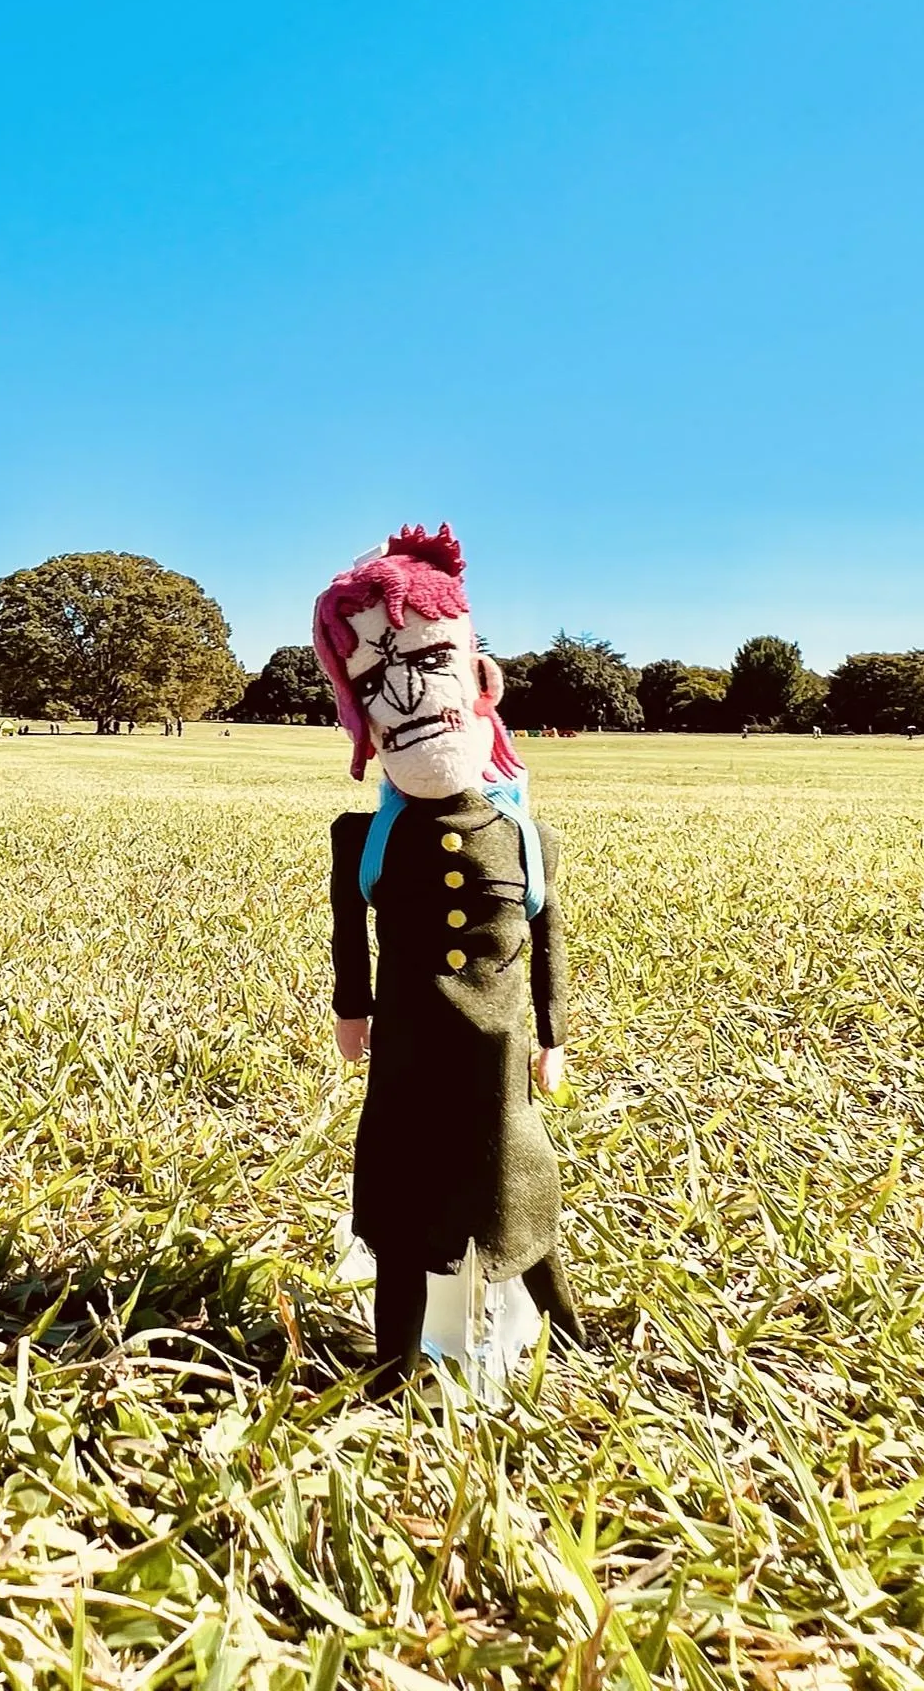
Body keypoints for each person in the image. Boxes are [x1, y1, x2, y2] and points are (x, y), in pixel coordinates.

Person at [313, 524, 586, 1398]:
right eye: (375, 684)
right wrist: (351, 1012)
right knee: (401, 1185)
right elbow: (348, 932)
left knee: (515, 1175)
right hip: (405, 1045)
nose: (405, 694)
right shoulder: (362, 839)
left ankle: (556, 1318)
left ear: (480, 682)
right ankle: (395, 1353)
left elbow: (547, 941)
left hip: (499, 1050)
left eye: (430, 663)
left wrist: (552, 1037)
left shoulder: (526, 836)